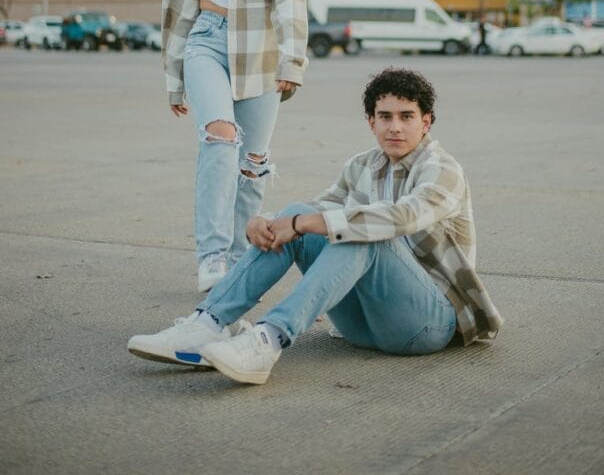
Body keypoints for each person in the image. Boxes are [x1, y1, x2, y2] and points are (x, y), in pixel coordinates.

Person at [128, 68, 503, 385]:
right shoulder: (361, 165)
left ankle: (268, 339)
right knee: (300, 212)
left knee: (364, 231)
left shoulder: (441, 168)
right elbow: (315, 211)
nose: (395, 127)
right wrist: (267, 222)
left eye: (406, 117)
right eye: (385, 117)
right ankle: (206, 324)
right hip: (362, 327)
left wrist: (305, 222)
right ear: (371, 122)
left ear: (426, 122)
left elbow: (401, 217)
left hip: (426, 324)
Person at [162, 0, 308, 292]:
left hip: (260, 49)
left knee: (252, 161)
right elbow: (177, 17)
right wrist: (175, 80)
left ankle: (239, 259)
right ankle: (210, 255)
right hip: (206, 40)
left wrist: (291, 60)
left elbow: (290, 2)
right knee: (220, 137)